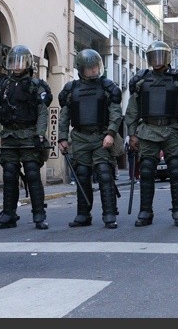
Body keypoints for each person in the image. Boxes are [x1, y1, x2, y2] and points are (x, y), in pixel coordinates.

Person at [125, 41, 178, 227]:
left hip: (172, 129)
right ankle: (145, 211)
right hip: (148, 129)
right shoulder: (141, 81)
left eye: (160, 55)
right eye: (153, 56)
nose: (157, 60)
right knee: (147, 169)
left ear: (166, 57)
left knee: (176, 168)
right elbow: (132, 111)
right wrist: (132, 134)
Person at [0, 44, 53, 230]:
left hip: (29, 135)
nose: (16, 65)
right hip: (8, 136)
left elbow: (42, 112)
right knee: (9, 175)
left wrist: (40, 135)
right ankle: (9, 214)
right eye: (14, 61)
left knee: (32, 173)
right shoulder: (2, 86)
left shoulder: (36, 86)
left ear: (28, 64)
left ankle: (39, 214)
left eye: (20, 62)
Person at [57, 49, 123, 229]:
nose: (94, 70)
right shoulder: (72, 89)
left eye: (96, 67)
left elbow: (115, 113)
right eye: (90, 68)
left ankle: (109, 214)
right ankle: (83, 214)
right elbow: (64, 116)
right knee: (82, 175)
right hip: (79, 137)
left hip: (101, 135)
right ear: (81, 69)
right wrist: (62, 138)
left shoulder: (107, 87)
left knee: (103, 172)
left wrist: (110, 133)